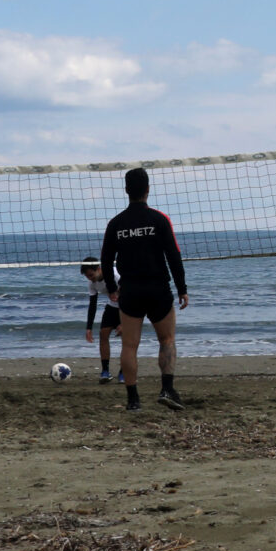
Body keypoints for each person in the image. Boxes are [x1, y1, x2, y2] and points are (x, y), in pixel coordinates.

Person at [100, 167, 187, 413]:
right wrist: (182, 288)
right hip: (158, 288)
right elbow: (174, 256)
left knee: (129, 345)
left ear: (126, 190)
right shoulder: (159, 219)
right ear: (148, 189)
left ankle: (133, 399)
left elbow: (106, 260)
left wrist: (111, 288)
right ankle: (167, 389)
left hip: (131, 291)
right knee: (167, 339)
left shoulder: (116, 223)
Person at [80, 256, 121, 383]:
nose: (90, 279)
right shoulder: (92, 283)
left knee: (127, 339)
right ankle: (105, 372)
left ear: (99, 269)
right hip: (112, 306)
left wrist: (124, 322)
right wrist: (88, 328)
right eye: (87, 276)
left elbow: (131, 295)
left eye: (91, 275)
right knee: (103, 335)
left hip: (128, 306)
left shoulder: (116, 275)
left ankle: (124, 372)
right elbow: (92, 305)